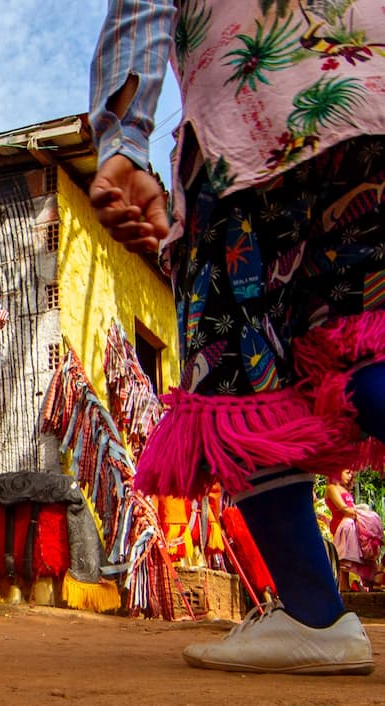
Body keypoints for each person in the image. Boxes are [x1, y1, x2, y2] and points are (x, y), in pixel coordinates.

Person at [89, 0, 385, 675]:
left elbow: (143, 8)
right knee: (366, 341)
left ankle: (313, 611)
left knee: (234, 375)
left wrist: (124, 138)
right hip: (372, 91)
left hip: (255, 119)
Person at [325, 470, 382, 592]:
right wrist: (362, 514)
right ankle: (344, 585)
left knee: (364, 550)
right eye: (347, 472)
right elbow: (343, 508)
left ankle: (368, 582)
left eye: (351, 473)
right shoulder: (332, 488)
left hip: (352, 523)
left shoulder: (345, 490)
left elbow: (351, 509)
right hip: (342, 526)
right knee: (345, 555)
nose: (350, 476)